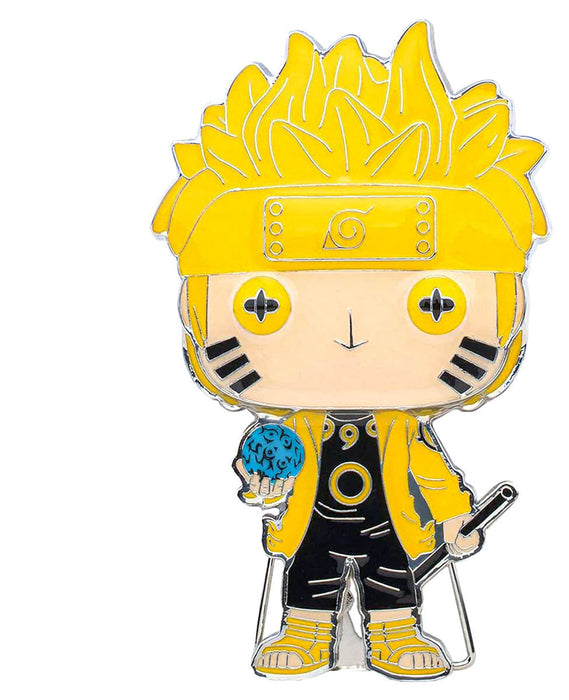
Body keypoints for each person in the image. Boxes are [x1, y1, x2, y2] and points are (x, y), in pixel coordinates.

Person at [151, 21, 546, 679]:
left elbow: (433, 474)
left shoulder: (402, 429)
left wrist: (454, 519)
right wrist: (262, 487)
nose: (351, 333)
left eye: (435, 304)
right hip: (310, 526)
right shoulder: (294, 429)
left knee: (393, 580)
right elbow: (267, 474)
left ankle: (394, 633)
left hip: (392, 528)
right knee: (308, 576)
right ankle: (306, 633)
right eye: (262, 304)